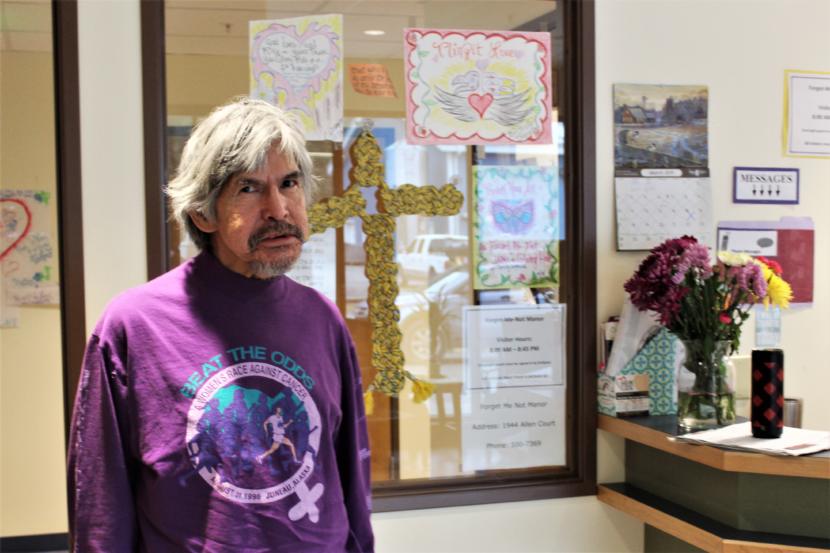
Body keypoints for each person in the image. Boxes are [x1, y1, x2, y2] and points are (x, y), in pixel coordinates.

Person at [67, 97, 374, 552]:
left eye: (289, 183)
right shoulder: (134, 324)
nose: (279, 208)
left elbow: (351, 474)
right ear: (202, 213)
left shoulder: (321, 318)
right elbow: (100, 500)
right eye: (249, 188)